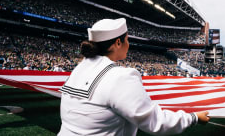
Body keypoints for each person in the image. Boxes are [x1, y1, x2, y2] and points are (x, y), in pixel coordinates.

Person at [58, 18, 209, 135]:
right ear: (118, 43)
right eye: (127, 39)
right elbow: (156, 123)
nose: (128, 44)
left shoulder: (79, 68)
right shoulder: (120, 77)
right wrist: (193, 117)